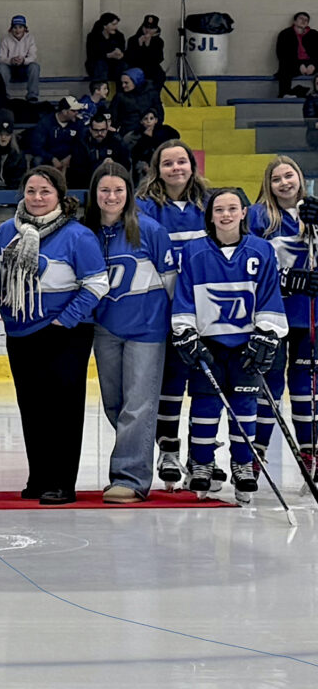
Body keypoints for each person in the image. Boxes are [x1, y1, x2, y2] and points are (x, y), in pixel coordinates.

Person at [0, 166, 108, 505]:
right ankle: (40, 476)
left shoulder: (78, 235)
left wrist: (65, 320)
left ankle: (62, 481)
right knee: (32, 407)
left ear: (60, 196)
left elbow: (97, 283)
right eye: (31, 191)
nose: (37, 197)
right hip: (20, 332)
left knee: (63, 408)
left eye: (45, 191)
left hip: (64, 334)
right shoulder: (6, 232)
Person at [173, 187, 287, 503]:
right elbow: (184, 297)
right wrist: (186, 332)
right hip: (208, 342)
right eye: (218, 210)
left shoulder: (262, 250)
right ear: (210, 216)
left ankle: (242, 464)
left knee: (245, 407)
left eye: (232, 209)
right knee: (205, 405)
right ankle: (202, 463)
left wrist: (266, 333)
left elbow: (269, 296)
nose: (225, 215)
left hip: (246, 344)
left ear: (243, 213)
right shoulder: (194, 252)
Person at [86, 160, 170, 503]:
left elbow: (171, 281)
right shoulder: (86, 233)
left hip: (146, 330)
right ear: (95, 193)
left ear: (129, 193)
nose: (111, 196)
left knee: (138, 404)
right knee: (115, 404)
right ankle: (132, 464)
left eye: (118, 190)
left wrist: (179, 325)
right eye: (104, 189)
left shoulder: (149, 230)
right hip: (105, 329)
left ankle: (131, 477)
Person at [137, 141, 211, 489]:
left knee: (204, 382)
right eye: (168, 163)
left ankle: (202, 456)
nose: (176, 168)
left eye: (182, 161)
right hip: (165, 308)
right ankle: (168, 448)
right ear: (157, 168)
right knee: (171, 382)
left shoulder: (209, 203)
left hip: (209, 308)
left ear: (192, 166)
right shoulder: (146, 207)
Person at [250, 156, 318, 471]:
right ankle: (256, 451)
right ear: (269, 184)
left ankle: (309, 451)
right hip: (272, 315)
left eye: (288, 175)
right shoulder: (258, 216)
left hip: (310, 315)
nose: (284, 183)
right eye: (276, 179)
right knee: (270, 383)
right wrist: (287, 279)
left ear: (299, 177)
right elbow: (248, 263)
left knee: (306, 386)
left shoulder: (313, 213)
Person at [0, 15, 40, 102]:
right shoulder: (6, 39)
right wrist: (11, 60)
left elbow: (33, 56)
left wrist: (23, 60)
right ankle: (3, 95)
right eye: (15, 27)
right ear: (11, 29)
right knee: (1, 68)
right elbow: (0, 58)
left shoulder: (30, 38)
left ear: (25, 28)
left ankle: (32, 95)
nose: (17, 30)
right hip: (10, 68)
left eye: (20, 27)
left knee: (35, 66)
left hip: (24, 68)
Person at [275, 12, 316, 97]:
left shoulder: (314, 34)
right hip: (292, 63)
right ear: (294, 22)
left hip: (310, 63)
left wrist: (314, 65)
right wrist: (299, 65)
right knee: (284, 66)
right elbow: (282, 54)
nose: (304, 21)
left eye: (306, 20)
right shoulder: (285, 34)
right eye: (301, 19)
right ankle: (285, 93)